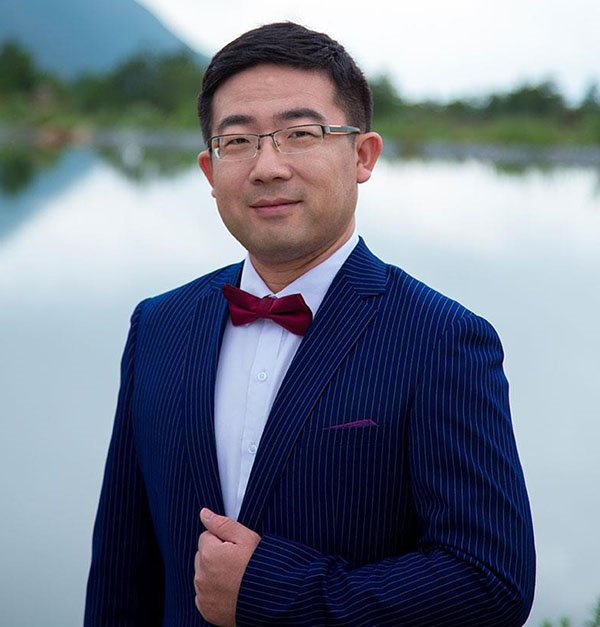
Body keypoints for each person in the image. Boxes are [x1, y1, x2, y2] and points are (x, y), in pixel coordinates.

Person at [84, 21, 535, 627]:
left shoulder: (443, 338)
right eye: (237, 141)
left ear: (362, 155)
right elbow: (122, 570)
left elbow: (489, 582)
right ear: (209, 170)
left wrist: (269, 591)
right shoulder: (158, 325)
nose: (268, 167)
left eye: (301, 134)